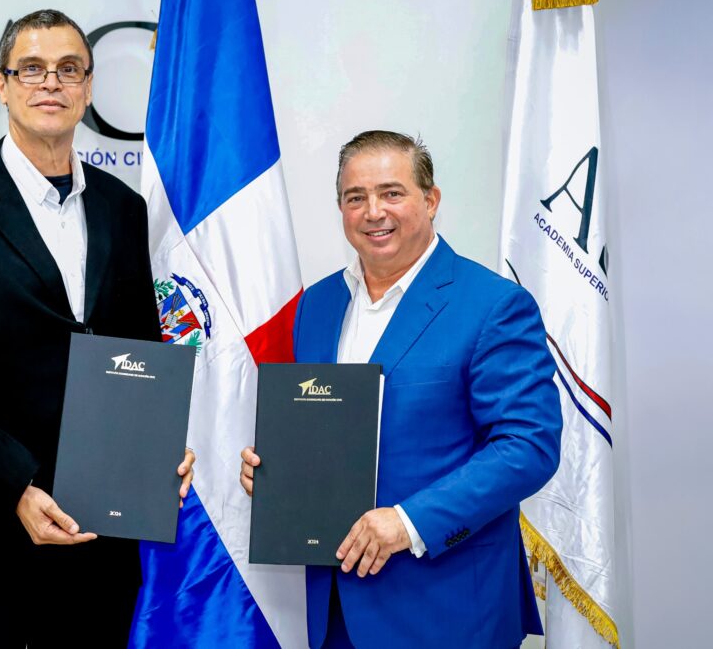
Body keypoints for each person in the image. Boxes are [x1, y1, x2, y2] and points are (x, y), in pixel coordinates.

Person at [0, 9, 194, 648]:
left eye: (68, 69)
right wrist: (17, 487)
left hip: (100, 539)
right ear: (1, 85)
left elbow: (137, 354)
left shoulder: (123, 209)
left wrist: (156, 445)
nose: (49, 82)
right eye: (31, 69)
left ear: (86, 87)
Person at [240, 131, 561, 648]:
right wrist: (277, 472)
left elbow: (528, 447)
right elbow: (321, 428)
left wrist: (408, 523)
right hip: (334, 610)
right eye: (355, 197)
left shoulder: (494, 305)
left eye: (392, 192)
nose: (373, 211)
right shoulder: (316, 306)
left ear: (430, 201)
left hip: (449, 609)